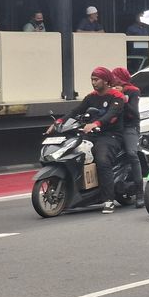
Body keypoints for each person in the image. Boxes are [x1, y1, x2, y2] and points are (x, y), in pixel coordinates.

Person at [49, 67, 125, 214]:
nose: (93, 83)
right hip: (90, 134)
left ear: (106, 81)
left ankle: (108, 200)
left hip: (110, 136)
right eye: (92, 79)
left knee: (102, 160)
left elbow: (111, 114)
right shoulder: (91, 97)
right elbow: (75, 111)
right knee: (72, 152)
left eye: (96, 80)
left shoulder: (117, 97)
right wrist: (59, 122)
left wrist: (96, 124)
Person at [111, 67, 145, 209]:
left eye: (116, 78)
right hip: (113, 127)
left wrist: (123, 99)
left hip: (129, 127)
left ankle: (139, 193)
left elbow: (133, 114)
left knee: (132, 153)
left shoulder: (133, 91)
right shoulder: (110, 91)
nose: (114, 81)